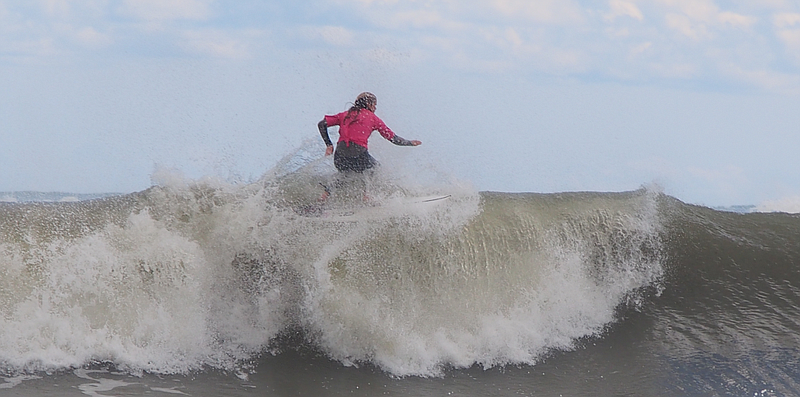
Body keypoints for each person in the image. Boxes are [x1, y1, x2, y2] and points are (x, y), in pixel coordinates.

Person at [317, 92, 421, 200]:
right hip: (358, 153)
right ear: (369, 104)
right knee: (376, 169)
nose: (375, 108)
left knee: (345, 174)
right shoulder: (373, 118)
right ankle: (367, 195)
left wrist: (329, 145)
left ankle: (324, 196)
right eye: (374, 105)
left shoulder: (344, 115)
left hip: (340, 155)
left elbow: (321, 124)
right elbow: (393, 138)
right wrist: (410, 143)